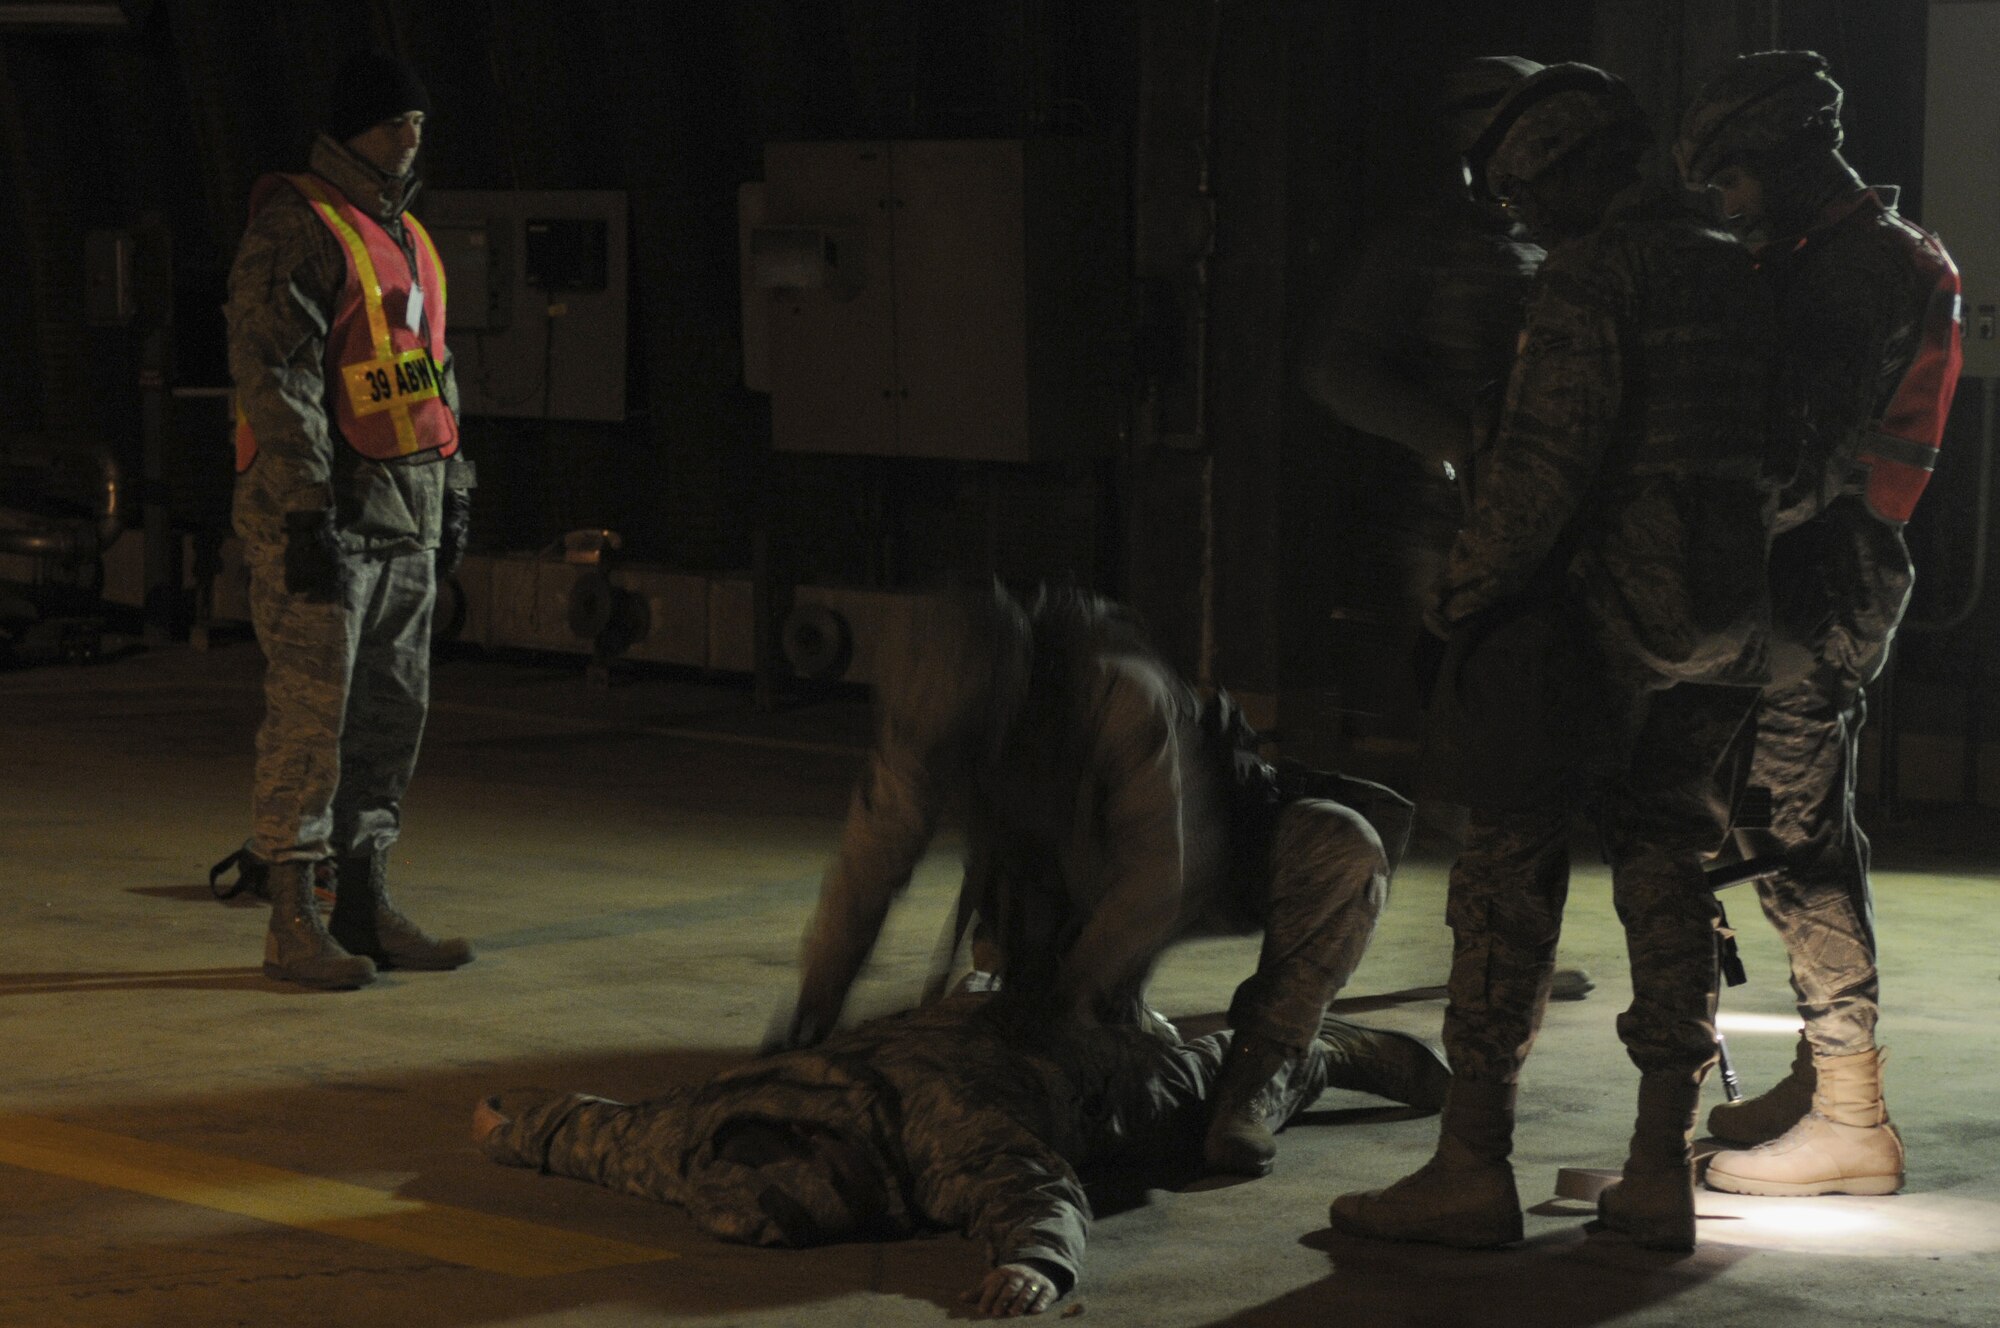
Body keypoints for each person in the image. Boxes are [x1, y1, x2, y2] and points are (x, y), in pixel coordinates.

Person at [1327, 63, 1778, 1252]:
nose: (1521, 219)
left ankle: (1470, 1165)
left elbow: (1542, 474)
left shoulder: (1594, 276)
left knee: (1504, 878)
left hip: (1591, 631)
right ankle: (1654, 1168)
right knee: (1669, 873)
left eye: (1529, 193)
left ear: (1579, 173)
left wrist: (1458, 602)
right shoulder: (1739, 267)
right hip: (1727, 621)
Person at [775, 582, 1437, 1179]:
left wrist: (1078, 992)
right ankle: (1164, 1033)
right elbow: (871, 862)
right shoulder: (932, 713)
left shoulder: (1118, 689)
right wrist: (816, 1003)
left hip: (1209, 861)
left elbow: (1165, 875)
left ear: (1014, 686)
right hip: (1064, 893)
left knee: (1343, 851)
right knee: (1064, 1079)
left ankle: (1275, 1063)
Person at [1673, 51, 1962, 1198]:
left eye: (1733, 175)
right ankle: (1822, 1077)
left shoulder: (1853, 272)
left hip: (1813, 579)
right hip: (1818, 574)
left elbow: (1797, 459)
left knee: (1793, 838)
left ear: (1789, 155)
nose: (1724, 201)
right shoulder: (1843, 252)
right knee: (1801, 827)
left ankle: (1849, 1116)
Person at [476, 992, 1442, 1318]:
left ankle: (1316, 1050)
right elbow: (592, 1134)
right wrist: (510, 1127)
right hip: (964, 1014)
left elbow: (1041, 1193)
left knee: (1196, 1098)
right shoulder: (705, 1143)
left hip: (1073, 1052)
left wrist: (1034, 1262)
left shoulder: (943, 1134)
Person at [1301, 52, 1594, 1004]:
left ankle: (1514, 950)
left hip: (1568, 524)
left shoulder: (1577, 237)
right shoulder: (1426, 247)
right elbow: (1339, 369)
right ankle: (1485, 963)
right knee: (1477, 748)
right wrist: (1456, 439)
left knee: (1542, 748)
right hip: (1459, 523)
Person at [224, 49, 475, 989]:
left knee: (388, 718)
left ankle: (364, 902)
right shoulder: (300, 227)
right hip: (323, 518)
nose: (411, 135)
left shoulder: (407, 234)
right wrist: (300, 512)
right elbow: (276, 379)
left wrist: (455, 490)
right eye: (394, 121)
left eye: (419, 121)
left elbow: (430, 375)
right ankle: (292, 917)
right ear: (352, 131)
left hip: (403, 513)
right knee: (310, 719)